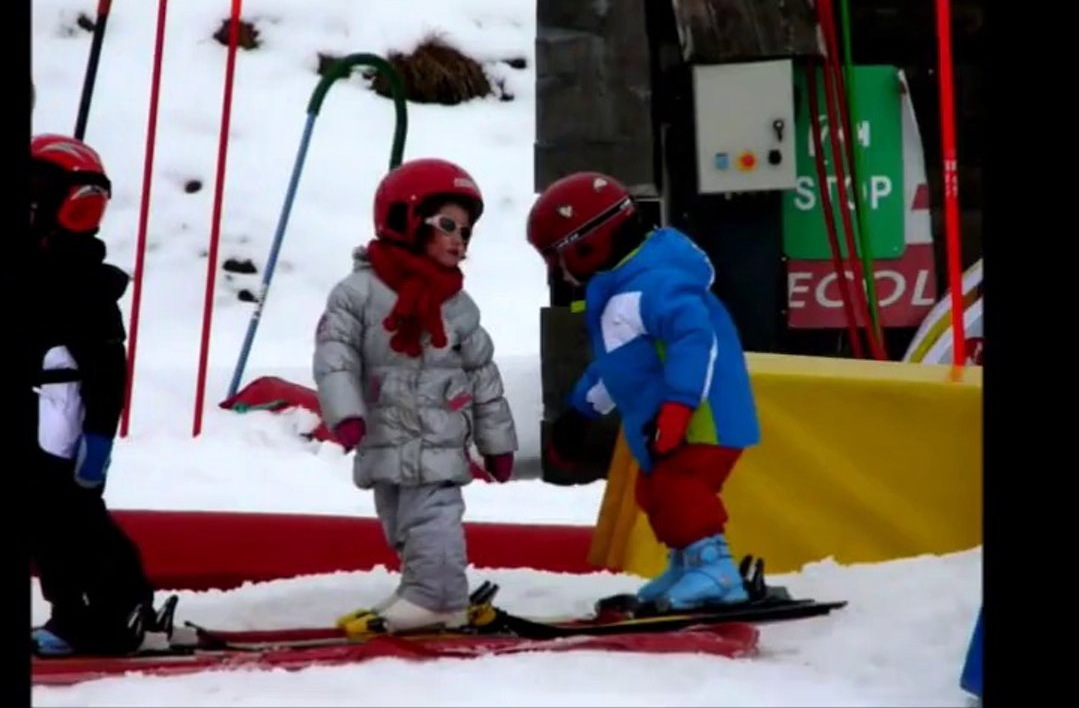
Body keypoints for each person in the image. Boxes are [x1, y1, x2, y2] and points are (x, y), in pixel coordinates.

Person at [526, 171, 761, 612]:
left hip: (702, 418)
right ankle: (689, 564)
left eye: (556, 258)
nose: (557, 272)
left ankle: (716, 569)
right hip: (670, 423)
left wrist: (678, 408)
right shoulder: (622, 290)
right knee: (653, 491)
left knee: (679, 487)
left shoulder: (655, 284)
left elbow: (696, 339)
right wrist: (580, 415)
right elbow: (618, 367)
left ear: (586, 243)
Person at [313, 158, 518, 633]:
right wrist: (346, 412)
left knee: (434, 515)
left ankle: (438, 597)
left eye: (466, 232)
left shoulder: (458, 306)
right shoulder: (357, 293)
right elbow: (335, 354)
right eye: (447, 225)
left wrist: (497, 442)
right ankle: (420, 586)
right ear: (405, 219)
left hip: (438, 432)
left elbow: (482, 375)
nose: (458, 240)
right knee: (399, 520)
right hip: (385, 434)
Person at [28, 133, 167, 656]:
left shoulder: (86, 285)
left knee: (76, 518)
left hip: (64, 423)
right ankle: (69, 615)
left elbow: (109, 369)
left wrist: (99, 436)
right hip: (36, 412)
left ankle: (122, 607)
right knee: (43, 526)